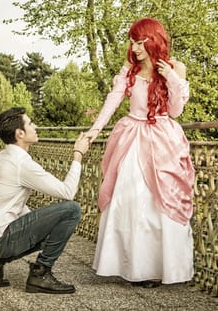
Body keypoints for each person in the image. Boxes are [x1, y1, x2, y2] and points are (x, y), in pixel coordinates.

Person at [85, 18, 195, 288]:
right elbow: (113, 99)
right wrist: (94, 131)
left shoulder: (174, 67)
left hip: (162, 140)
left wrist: (170, 77)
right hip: (131, 138)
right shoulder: (129, 70)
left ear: (152, 40)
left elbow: (177, 110)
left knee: (159, 203)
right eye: (132, 41)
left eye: (139, 41)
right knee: (129, 202)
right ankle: (132, 266)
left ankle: (158, 268)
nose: (134, 48)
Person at [0, 107, 90, 294]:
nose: (35, 126)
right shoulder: (21, 163)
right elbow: (67, 192)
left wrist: (42, 227)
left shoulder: (0, 157)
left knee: (52, 227)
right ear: (20, 133)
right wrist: (78, 154)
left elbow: (12, 204)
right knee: (71, 210)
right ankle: (40, 274)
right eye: (30, 123)